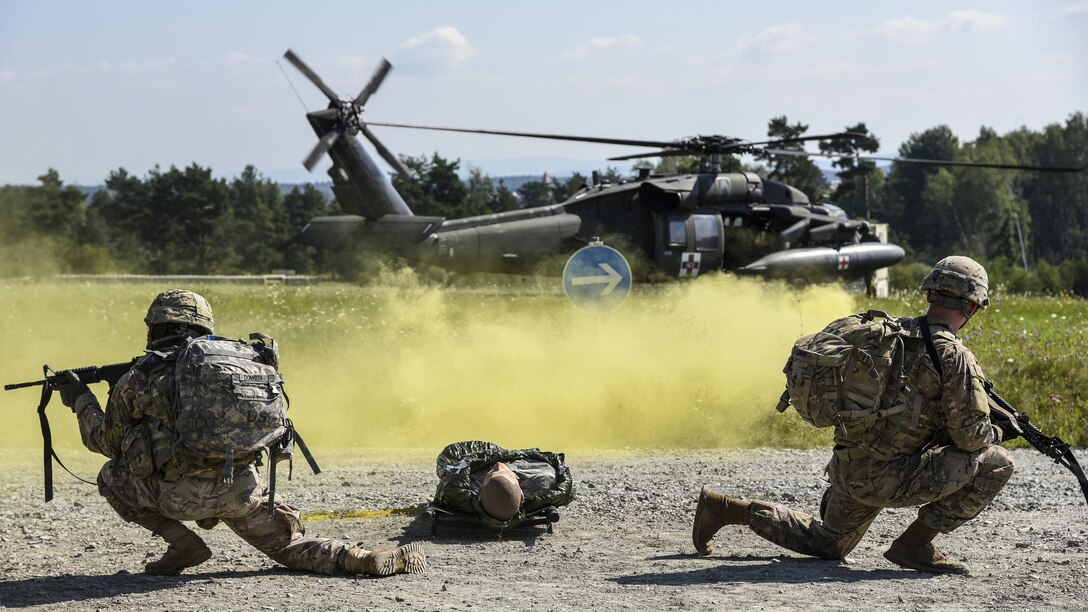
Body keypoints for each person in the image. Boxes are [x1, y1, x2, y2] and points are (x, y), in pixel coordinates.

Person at [54, 289, 425, 577]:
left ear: (157, 327)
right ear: (202, 326)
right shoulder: (239, 362)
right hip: (242, 491)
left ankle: (183, 544)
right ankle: (359, 558)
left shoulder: (141, 377)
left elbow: (103, 442)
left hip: (177, 497)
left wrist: (81, 400)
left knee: (110, 476)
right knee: (290, 547)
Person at [692, 256, 1017, 575]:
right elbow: (970, 438)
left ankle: (724, 509)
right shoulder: (955, 356)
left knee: (830, 544)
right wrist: (999, 430)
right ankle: (915, 545)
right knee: (996, 462)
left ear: (929, 294)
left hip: (850, 470)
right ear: (972, 307)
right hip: (891, 477)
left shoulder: (884, 334)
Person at [433, 440, 575, 526]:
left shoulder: (463, 491)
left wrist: (478, 461)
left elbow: (454, 469)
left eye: (491, 473)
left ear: (480, 496)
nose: (498, 464)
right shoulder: (546, 480)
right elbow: (565, 484)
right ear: (522, 493)